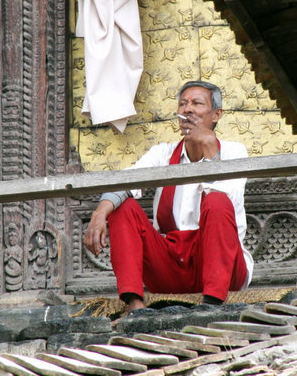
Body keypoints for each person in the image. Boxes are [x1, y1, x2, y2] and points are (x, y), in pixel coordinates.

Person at [84, 80, 253, 313]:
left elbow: (226, 202)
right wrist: (100, 212)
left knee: (216, 201)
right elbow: (126, 181)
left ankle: (212, 305)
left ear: (216, 115)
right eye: (183, 104)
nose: (188, 110)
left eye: (197, 104)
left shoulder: (234, 151)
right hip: (171, 266)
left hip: (223, 268)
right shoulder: (162, 154)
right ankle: (135, 304)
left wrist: (210, 148)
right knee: (122, 206)